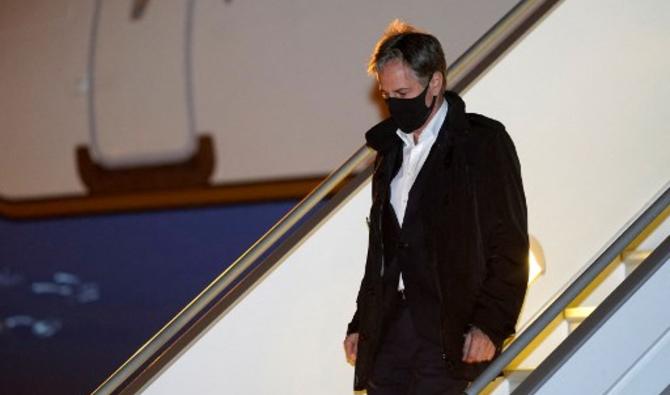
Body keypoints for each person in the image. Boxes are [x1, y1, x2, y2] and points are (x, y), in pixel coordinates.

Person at [343, 20, 529, 394]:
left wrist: (490, 325)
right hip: (391, 335)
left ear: (436, 83)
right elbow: (382, 250)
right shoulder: (389, 152)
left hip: (447, 331)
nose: (395, 103)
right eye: (386, 95)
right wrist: (361, 323)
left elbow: (508, 244)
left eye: (403, 92)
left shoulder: (481, 143)